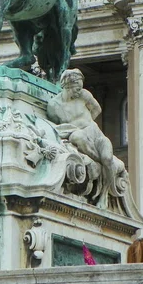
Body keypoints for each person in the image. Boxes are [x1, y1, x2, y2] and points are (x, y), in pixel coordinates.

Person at [47, 68, 115, 208]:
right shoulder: (54, 106)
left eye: (80, 87)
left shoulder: (84, 95)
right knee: (77, 137)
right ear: (66, 85)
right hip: (77, 134)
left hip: (95, 134)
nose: (79, 91)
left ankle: (105, 193)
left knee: (108, 158)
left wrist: (88, 125)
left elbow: (97, 109)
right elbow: (57, 125)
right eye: (76, 88)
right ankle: (99, 162)